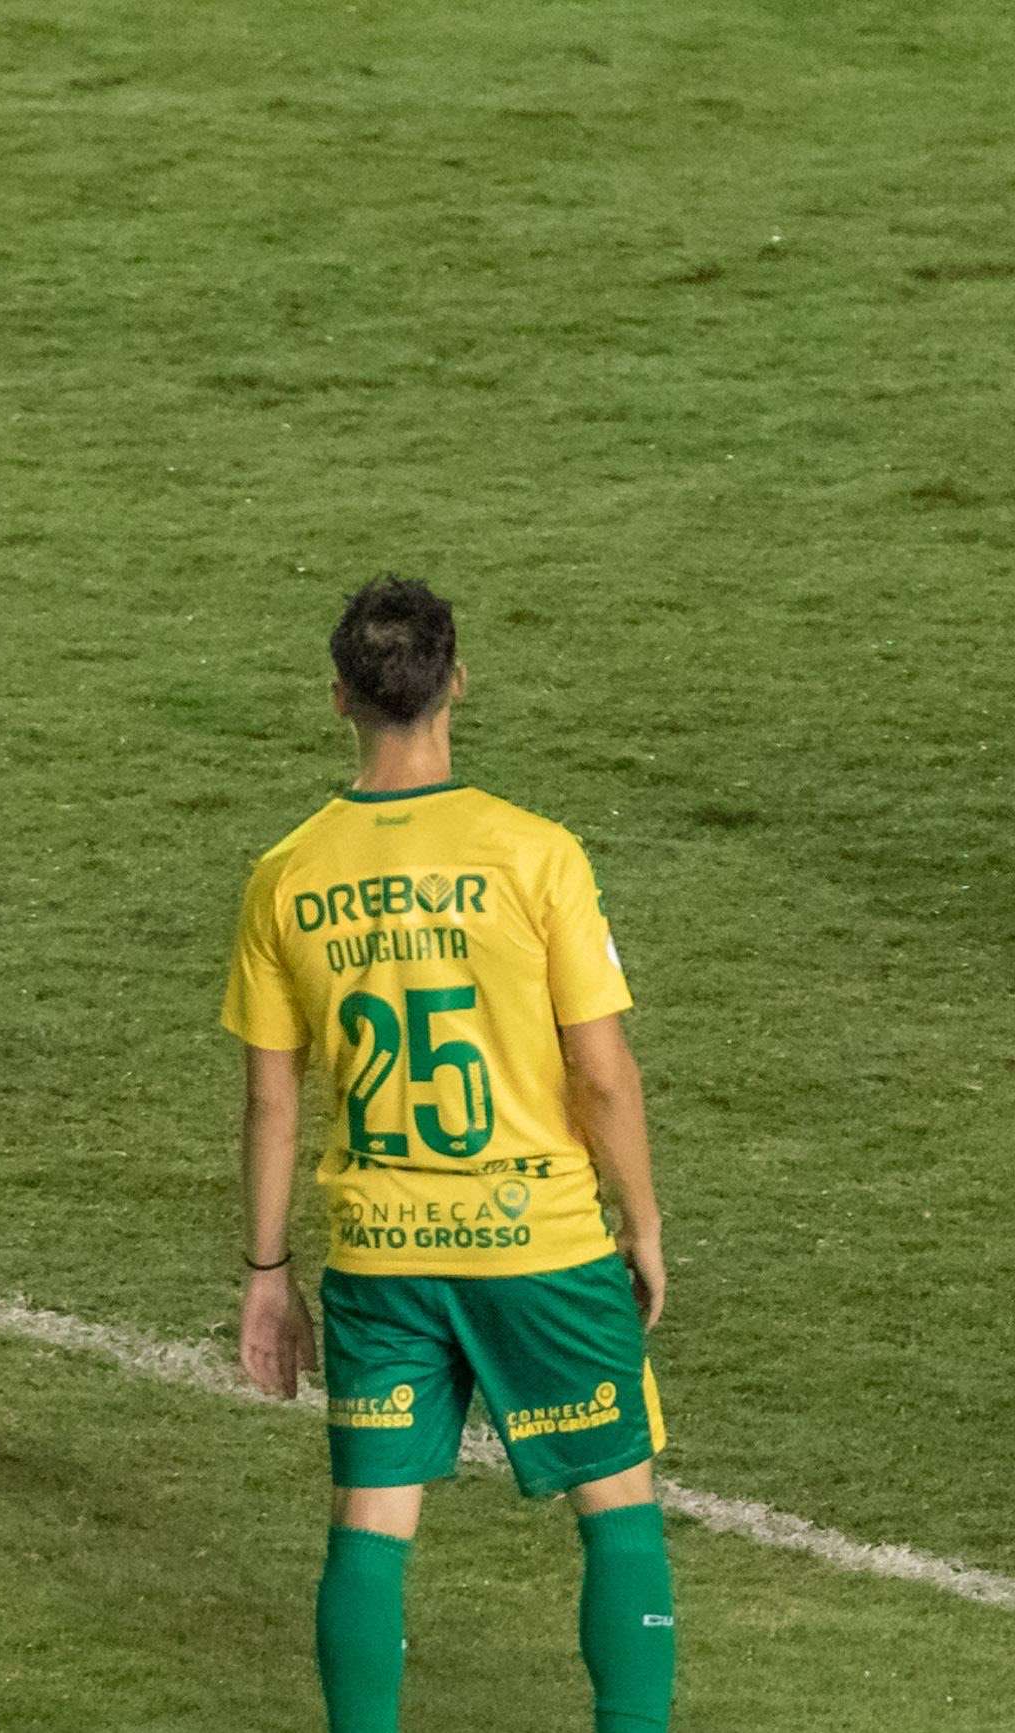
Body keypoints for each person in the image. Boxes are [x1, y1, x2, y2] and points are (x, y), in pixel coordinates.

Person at [222, 576, 675, 1732]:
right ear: (456, 680)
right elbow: (603, 1070)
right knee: (615, 1506)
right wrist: (644, 1220)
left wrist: (268, 1273)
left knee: (370, 1523)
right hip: (542, 1243)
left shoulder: (287, 875)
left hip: (381, 1250)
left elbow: (272, 1099)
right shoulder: (536, 855)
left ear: (340, 697)